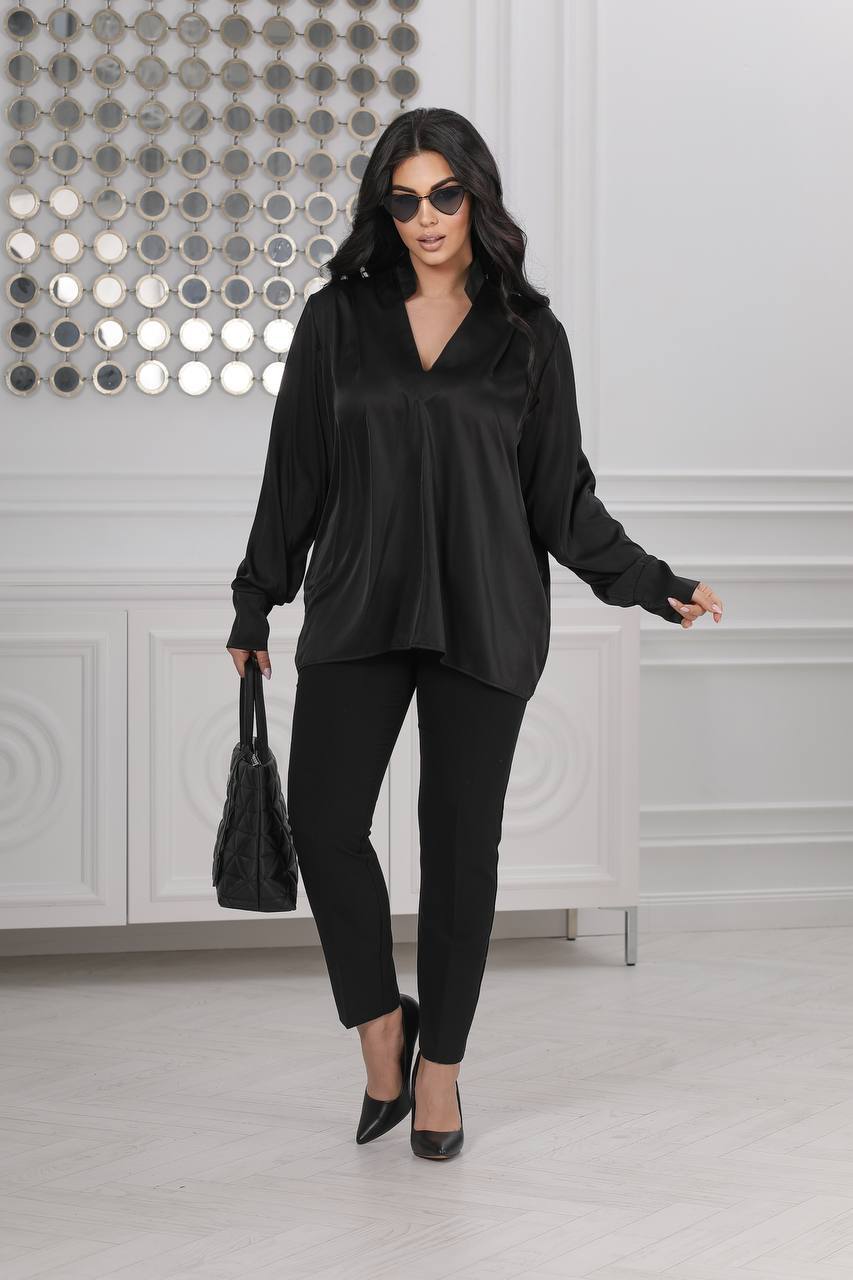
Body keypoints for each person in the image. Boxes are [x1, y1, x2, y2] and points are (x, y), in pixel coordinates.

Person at [226, 107, 723, 1161]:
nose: (426, 217)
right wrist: (256, 597)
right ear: (384, 207)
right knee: (325, 823)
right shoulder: (336, 319)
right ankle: (383, 1029)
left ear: (475, 197)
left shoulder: (527, 334)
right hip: (360, 604)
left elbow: (560, 498)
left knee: (460, 850)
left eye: (444, 195)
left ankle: (441, 1069)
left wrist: (650, 583)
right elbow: (294, 473)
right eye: (404, 199)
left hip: (484, 612)